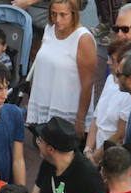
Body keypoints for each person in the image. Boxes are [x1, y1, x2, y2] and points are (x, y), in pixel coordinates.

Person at [25, 0, 96, 139]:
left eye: (63, 15)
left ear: (74, 14)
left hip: (68, 117)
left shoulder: (83, 39)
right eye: (53, 14)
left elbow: (87, 84)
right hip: (45, 112)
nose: (57, 19)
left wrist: (80, 119)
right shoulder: (49, 29)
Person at [83, 38, 131, 164]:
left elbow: (120, 134)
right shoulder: (109, 80)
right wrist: (88, 149)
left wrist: (96, 157)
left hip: (111, 158)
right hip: (95, 152)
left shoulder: (129, 94)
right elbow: (97, 118)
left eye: (112, 59)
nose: (107, 62)